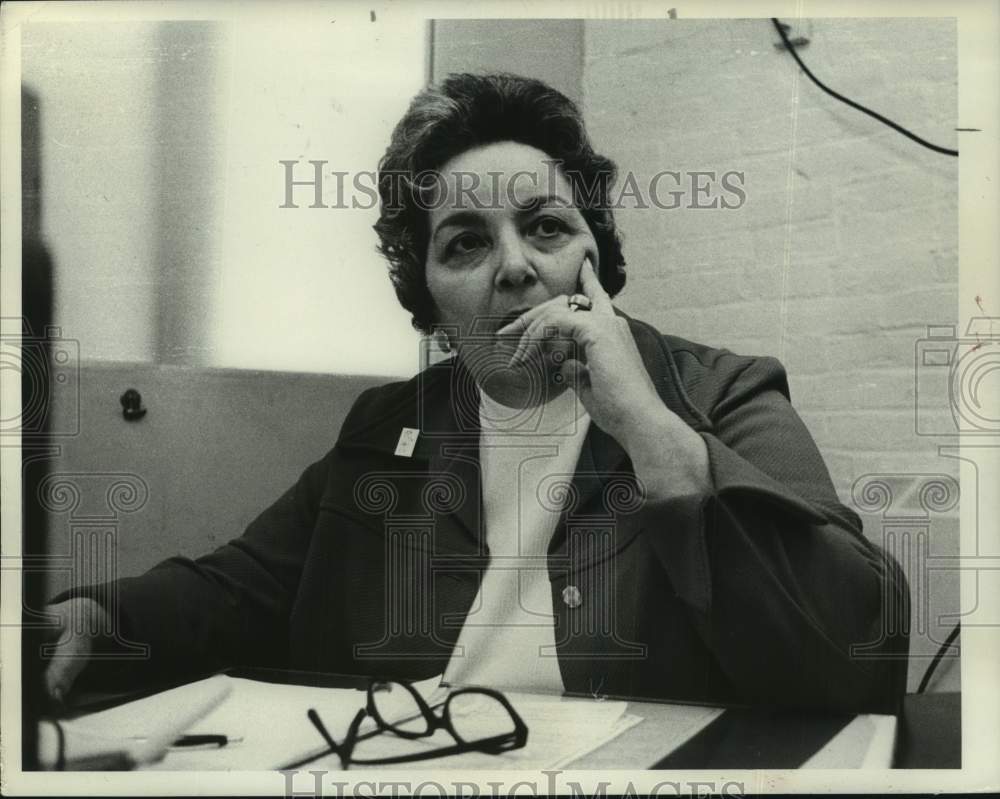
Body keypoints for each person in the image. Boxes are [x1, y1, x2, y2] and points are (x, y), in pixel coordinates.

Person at [44, 72, 909, 714]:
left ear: (594, 257)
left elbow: (859, 650)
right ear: (428, 301)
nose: (516, 266)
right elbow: (243, 587)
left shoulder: (720, 391)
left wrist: (648, 428)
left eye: (545, 226)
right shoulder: (391, 426)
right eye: (465, 244)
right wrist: (97, 611)